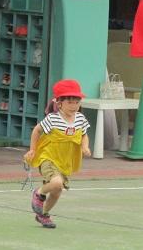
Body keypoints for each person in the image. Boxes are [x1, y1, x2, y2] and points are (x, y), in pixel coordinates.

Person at [24, 79, 91, 229]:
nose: (74, 106)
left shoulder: (80, 119)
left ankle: (43, 214)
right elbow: (37, 130)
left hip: (64, 161)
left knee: (57, 191)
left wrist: (85, 147)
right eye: (70, 102)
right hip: (48, 157)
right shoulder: (53, 119)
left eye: (76, 102)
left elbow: (84, 135)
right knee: (56, 183)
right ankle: (39, 193)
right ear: (59, 103)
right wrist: (32, 149)